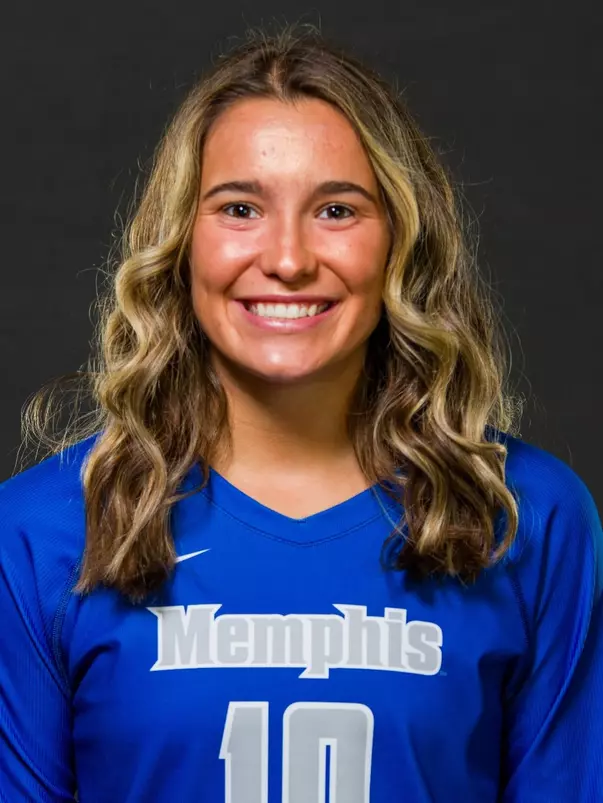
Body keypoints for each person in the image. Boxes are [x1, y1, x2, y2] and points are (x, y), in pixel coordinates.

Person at [1, 23, 602, 803]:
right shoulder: (40, 530)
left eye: (337, 210)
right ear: (181, 241)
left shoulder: (527, 517)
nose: (287, 259)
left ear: (400, 242)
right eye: (240, 208)